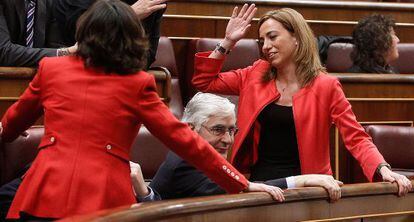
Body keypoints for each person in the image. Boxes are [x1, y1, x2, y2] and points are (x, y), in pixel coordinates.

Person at [0, 1, 284, 219]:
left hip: (44, 189)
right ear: (132, 38)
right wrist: (240, 183)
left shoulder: (52, 68)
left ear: (84, 32)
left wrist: (9, 131)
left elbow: (12, 124)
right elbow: (183, 140)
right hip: (104, 197)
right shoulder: (136, 83)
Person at [192, 5, 412, 197]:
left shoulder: (326, 85)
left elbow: (355, 136)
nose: (266, 46)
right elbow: (204, 82)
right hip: (262, 185)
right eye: (262, 40)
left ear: (296, 37)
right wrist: (228, 42)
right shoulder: (255, 74)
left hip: (313, 186)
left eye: (272, 36)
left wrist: (383, 169)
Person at [150, 92, 343, 201]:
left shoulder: (200, 158)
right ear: (191, 129)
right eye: (218, 129)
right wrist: (302, 180)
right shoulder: (185, 162)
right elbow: (236, 191)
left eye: (232, 130)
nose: (228, 140)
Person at [53, 0, 167, 68]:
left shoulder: (150, 3)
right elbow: (80, 41)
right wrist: (128, 16)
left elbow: (146, 57)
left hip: (125, 79)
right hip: (77, 72)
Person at [0, 0, 76, 67]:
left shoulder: (48, 3)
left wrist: (77, 51)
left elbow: (54, 45)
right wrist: (65, 52)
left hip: (34, 76)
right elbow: (3, 52)